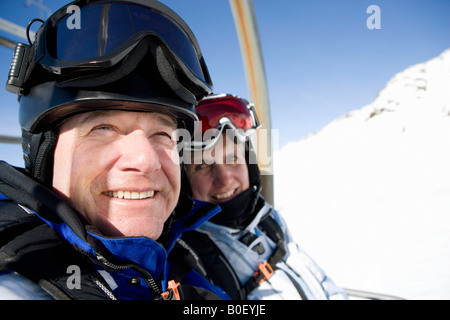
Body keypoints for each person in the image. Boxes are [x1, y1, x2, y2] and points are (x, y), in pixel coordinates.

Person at [0, 0, 229, 300]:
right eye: (103, 129)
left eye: (161, 133)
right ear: (44, 150)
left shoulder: (190, 265)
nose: (145, 161)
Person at [181, 94, 348, 300]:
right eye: (203, 166)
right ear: (185, 183)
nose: (224, 179)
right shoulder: (190, 264)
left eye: (233, 158)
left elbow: (320, 282)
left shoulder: (269, 221)